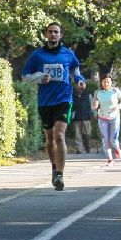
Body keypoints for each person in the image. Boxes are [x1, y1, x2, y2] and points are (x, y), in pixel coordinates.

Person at [22, 22, 85, 190]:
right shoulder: (38, 55)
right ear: (46, 34)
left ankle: (60, 174)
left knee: (59, 136)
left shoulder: (68, 54)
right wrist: (40, 78)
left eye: (56, 32)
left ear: (60, 35)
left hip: (64, 99)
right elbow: (25, 76)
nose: (53, 35)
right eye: (50, 32)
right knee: (49, 139)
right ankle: (54, 167)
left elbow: (75, 72)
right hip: (45, 102)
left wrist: (80, 81)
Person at [93, 76, 121, 166]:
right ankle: (110, 159)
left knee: (112, 140)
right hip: (102, 118)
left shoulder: (115, 91)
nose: (106, 84)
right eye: (104, 82)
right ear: (101, 83)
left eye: (108, 82)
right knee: (105, 140)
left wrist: (118, 107)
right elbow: (94, 105)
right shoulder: (98, 92)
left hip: (114, 117)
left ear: (111, 83)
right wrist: (95, 104)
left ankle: (117, 149)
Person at [70, 80, 92, 154]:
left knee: (87, 134)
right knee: (77, 135)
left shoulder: (88, 95)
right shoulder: (72, 95)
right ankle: (79, 149)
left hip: (87, 118)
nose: (80, 86)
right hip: (76, 118)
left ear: (85, 85)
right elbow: (71, 106)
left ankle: (87, 146)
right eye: (78, 84)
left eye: (82, 84)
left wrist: (95, 114)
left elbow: (92, 106)